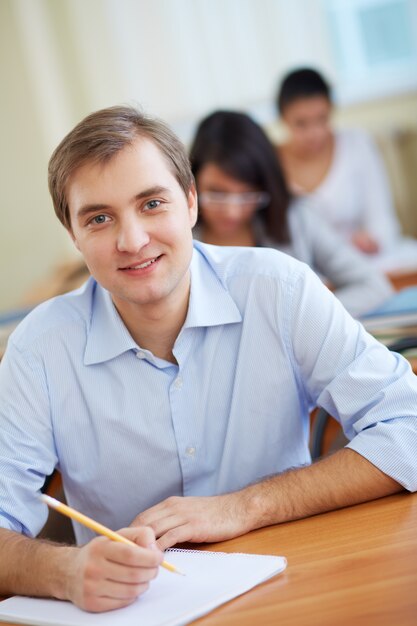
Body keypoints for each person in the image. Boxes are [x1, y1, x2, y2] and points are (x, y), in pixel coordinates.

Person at [0, 105, 416, 614]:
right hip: (134, 613)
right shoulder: (39, 348)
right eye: (100, 218)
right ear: (73, 235)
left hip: (295, 590)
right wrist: (63, 571)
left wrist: (245, 506)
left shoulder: (279, 290)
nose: (132, 241)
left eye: (152, 203)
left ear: (191, 203)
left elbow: (409, 426)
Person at [189, 110, 393, 318]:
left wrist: (306, 320)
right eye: (217, 194)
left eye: (248, 195)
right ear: (192, 184)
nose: (232, 212)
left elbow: (373, 285)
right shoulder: (179, 237)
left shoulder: (296, 217)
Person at [275, 67, 417, 271]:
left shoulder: (357, 144)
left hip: (367, 259)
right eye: (301, 124)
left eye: (322, 119)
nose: (315, 133)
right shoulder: (271, 162)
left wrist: (373, 240)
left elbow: (383, 219)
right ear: (283, 118)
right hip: (310, 269)